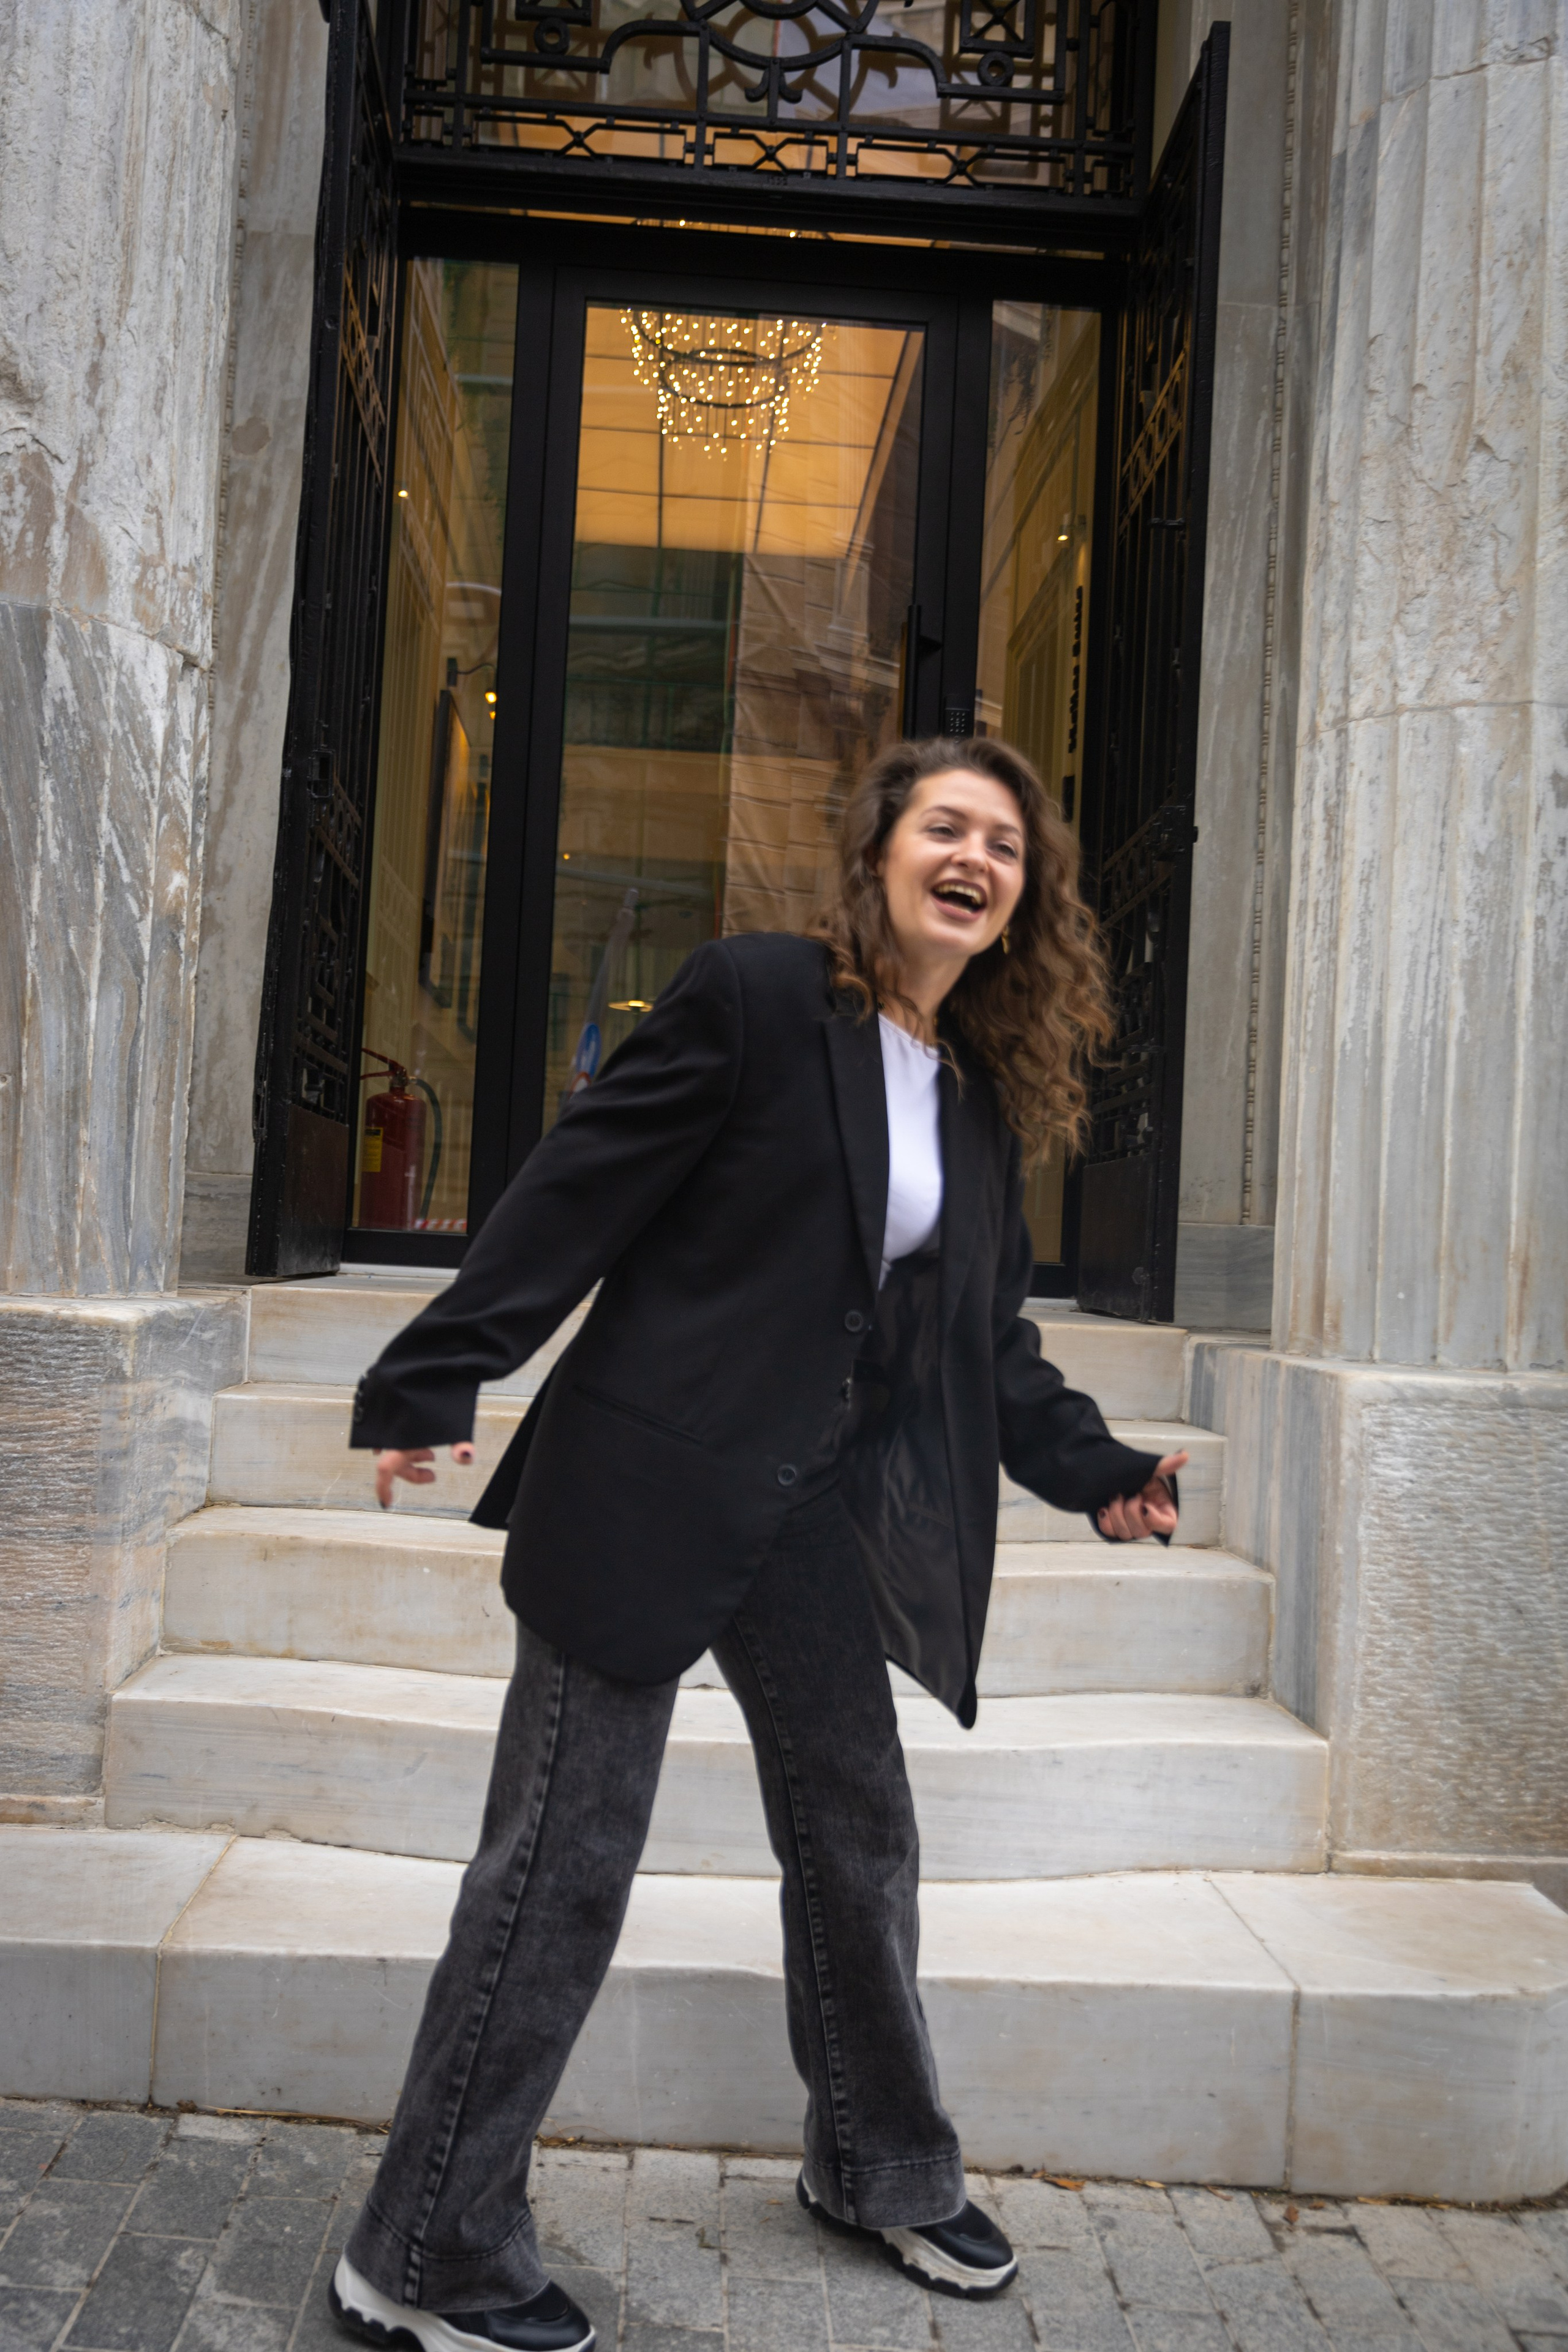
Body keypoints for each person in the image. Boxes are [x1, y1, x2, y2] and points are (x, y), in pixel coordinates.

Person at [328, 736, 1186, 2352]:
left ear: (1026, 899)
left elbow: (983, 1345)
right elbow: (581, 1187)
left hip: (809, 1506)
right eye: (947, 825)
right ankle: (421, 2247)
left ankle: (878, 2166)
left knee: (859, 1834)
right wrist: (437, 1368)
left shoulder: (980, 1104)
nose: (977, 856)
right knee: (560, 1874)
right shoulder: (757, 998)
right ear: (877, 853)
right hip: (646, 1484)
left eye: (1006, 844)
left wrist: (1102, 1472)